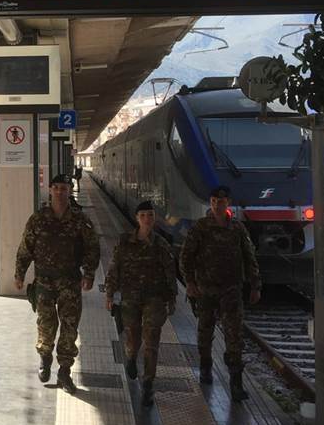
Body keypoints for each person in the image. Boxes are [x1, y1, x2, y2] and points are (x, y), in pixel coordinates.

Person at [14, 174, 101, 394]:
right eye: (57, 188)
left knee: (70, 326)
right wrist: (19, 273)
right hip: (44, 281)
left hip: (70, 281)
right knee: (46, 323)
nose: (60, 192)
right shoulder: (38, 219)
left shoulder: (80, 220)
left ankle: (64, 371)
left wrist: (89, 273)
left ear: (70, 190)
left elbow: (92, 247)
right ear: (50, 190)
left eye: (64, 188)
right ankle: (45, 357)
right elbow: (26, 247)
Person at [181, 185, 261, 402]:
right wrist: (189, 282)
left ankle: (236, 383)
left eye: (222, 201)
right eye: (214, 201)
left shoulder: (237, 229)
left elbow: (249, 257)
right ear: (211, 202)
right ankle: (205, 366)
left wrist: (255, 285)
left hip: (231, 290)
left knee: (234, 335)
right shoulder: (200, 227)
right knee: (204, 333)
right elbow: (186, 256)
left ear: (228, 203)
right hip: (205, 289)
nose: (217, 204)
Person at [105, 200, 177, 407]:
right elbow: (114, 268)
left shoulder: (161, 245)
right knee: (133, 339)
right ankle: (130, 357)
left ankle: (148, 384)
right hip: (130, 299)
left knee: (151, 343)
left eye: (151, 215)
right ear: (137, 219)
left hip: (154, 300)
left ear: (154, 219)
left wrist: (171, 299)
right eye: (143, 215)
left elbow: (170, 273)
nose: (147, 219)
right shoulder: (125, 242)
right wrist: (109, 294)